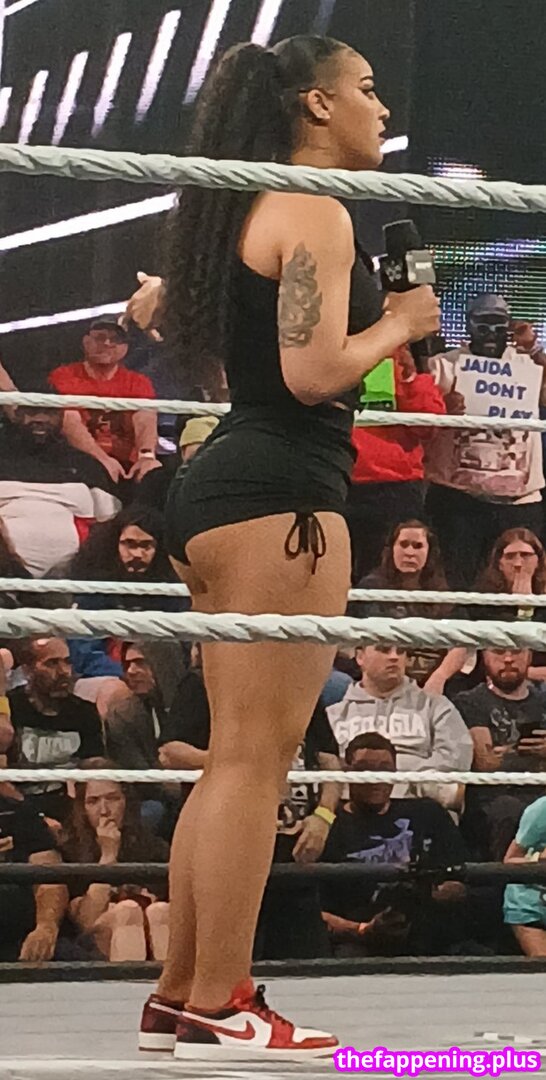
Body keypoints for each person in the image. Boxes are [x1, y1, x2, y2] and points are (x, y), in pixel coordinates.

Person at [133, 36, 440, 1058]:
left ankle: (182, 996)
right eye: (366, 88)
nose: (381, 107)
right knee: (255, 764)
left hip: (224, 492)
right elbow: (313, 376)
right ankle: (222, 999)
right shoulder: (312, 206)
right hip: (282, 498)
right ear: (314, 104)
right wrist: (402, 322)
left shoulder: (245, 205)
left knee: (235, 759)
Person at [425, 295, 545, 589]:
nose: (491, 333)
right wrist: (441, 407)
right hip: (458, 498)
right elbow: (417, 410)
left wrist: (535, 349)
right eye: (483, 324)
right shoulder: (444, 366)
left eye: (498, 324)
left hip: (519, 500)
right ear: (469, 326)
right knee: (456, 583)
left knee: (521, 583)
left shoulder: (527, 366)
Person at [320, 733, 467, 956]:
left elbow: (460, 882)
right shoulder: (327, 828)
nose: (376, 777)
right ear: (348, 771)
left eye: (385, 769)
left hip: (426, 931)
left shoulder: (427, 813)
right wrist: (361, 930)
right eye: (365, 769)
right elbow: (311, 910)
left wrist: (429, 894)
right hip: (356, 940)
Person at [326, 643, 473, 806]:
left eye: (401, 651)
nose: (394, 657)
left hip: (417, 805)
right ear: (360, 657)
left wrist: (404, 782)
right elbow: (327, 767)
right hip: (351, 806)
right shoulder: (334, 714)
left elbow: (456, 764)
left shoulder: (435, 706)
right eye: (384, 650)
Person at [347, 344, 446, 584]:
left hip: (395, 487)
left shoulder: (404, 363)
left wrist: (409, 379)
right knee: (330, 566)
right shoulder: (335, 356)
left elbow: (428, 427)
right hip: (340, 480)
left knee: (391, 574)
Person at [0, 400, 120, 577]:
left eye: (49, 412)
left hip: (73, 575)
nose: (40, 419)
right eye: (32, 411)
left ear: (62, 416)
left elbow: (109, 522)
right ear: (16, 414)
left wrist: (82, 561)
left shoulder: (85, 464)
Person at [61, 777, 169, 961]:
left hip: (151, 928)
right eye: (93, 801)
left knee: (160, 911)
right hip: (97, 941)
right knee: (127, 910)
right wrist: (108, 855)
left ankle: (168, 980)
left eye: (112, 798)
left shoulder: (154, 847)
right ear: (82, 809)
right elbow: (87, 920)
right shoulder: (69, 850)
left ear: (127, 802)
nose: (104, 810)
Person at [454, 648, 546, 860]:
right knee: (508, 810)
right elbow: (486, 763)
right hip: (494, 795)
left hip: (541, 791)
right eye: (498, 652)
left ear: (529, 656)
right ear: (484, 656)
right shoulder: (470, 701)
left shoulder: (543, 701)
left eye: (517, 651)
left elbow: (494, 757)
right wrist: (532, 755)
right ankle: (504, 878)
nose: (508, 659)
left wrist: (507, 752)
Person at [49, 319, 160, 485]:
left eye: (115, 339)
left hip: (128, 464)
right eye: (100, 337)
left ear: (125, 347)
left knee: (154, 472)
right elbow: (69, 421)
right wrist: (102, 459)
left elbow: (145, 418)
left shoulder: (138, 382)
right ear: (86, 341)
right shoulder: (65, 375)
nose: (107, 343)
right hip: (80, 460)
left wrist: (146, 457)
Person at [7, 637, 104, 824]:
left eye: (67, 662)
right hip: (18, 809)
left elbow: (93, 770)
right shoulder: (12, 709)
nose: (63, 671)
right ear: (27, 670)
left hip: (71, 809)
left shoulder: (84, 712)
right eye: (52, 663)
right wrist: (36, 819)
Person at [351, 520, 452, 687]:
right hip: (383, 674)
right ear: (392, 549)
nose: (410, 552)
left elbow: (460, 644)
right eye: (404, 545)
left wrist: (439, 677)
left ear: (429, 552)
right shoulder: (372, 587)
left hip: (431, 679)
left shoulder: (442, 593)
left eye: (417, 546)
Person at [0, 765, 68, 962]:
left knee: (69, 956)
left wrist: (46, 925)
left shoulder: (15, 811)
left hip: (20, 935)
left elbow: (50, 873)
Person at [503, 796, 546, 956]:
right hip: (531, 905)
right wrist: (538, 860)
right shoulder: (542, 809)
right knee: (542, 967)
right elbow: (510, 860)